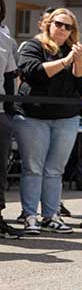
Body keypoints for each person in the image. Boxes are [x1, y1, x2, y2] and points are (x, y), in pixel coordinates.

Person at [15, 8, 82, 234]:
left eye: (68, 27)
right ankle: (29, 216)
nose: (63, 30)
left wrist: (78, 59)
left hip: (66, 117)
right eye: (59, 24)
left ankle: (51, 216)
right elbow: (33, 72)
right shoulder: (33, 46)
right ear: (48, 24)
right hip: (33, 117)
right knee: (33, 169)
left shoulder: (73, 50)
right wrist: (66, 60)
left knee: (55, 171)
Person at [0, 17, 22, 238]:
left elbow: (9, 77)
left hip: (0, 115)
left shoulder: (5, 40)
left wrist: (9, 111)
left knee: (0, 170)